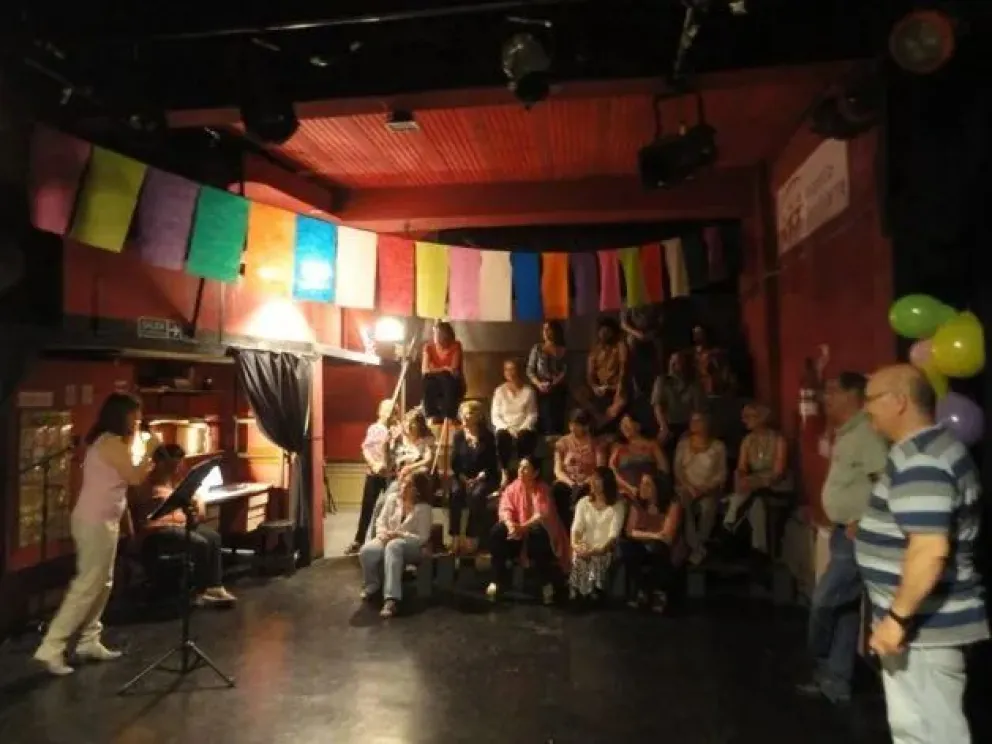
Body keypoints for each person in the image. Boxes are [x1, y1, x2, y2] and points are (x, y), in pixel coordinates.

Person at [857, 364, 987, 743]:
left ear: (899, 402)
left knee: (928, 732)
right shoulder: (932, 447)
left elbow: (929, 549)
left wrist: (897, 620)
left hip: (923, 630)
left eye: (871, 400)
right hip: (922, 627)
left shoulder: (922, 462)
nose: (867, 410)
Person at [34, 393, 157, 676]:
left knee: (104, 583)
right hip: (94, 522)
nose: (137, 420)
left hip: (105, 520)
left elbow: (124, 483)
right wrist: (151, 448)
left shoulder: (113, 443)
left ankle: (89, 640)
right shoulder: (110, 443)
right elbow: (136, 478)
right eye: (134, 415)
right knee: (88, 583)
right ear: (120, 415)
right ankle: (51, 647)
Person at [797, 372, 888, 705]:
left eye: (833, 390)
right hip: (841, 533)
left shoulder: (867, 434)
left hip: (857, 536)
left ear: (854, 394)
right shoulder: (848, 433)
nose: (827, 397)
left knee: (824, 600)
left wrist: (865, 519)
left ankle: (818, 658)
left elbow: (886, 480)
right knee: (846, 610)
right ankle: (836, 683)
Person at [129, 444, 237, 606]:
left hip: (180, 524)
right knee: (200, 544)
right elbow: (140, 510)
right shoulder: (144, 483)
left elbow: (196, 501)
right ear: (158, 463)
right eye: (171, 465)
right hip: (158, 529)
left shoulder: (177, 479)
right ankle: (199, 592)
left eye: (177, 465)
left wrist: (196, 503)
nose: (175, 469)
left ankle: (214, 586)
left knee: (213, 537)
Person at [486, 458, 569, 604]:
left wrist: (523, 527)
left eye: (525, 468)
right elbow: (505, 508)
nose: (520, 470)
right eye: (520, 467)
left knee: (538, 534)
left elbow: (542, 514)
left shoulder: (543, 489)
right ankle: (497, 580)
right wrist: (511, 524)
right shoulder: (512, 487)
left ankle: (545, 584)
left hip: (536, 535)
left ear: (535, 472)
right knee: (497, 531)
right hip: (517, 535)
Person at [359, 471, 434, 619]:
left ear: (416, 489)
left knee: (394, 546)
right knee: (367, 551)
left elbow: (422, 537)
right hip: (387, 538)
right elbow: (380, 521)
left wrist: (399, 535)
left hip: (412, 546)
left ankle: (391, 599)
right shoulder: (393, 499)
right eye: (403, 482)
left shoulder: (424, 508)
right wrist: (383, 534)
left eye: (408, 483)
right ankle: (372, 585)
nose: (402, 485)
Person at [723, 402, 791, 557]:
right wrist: (741, 478)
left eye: (748, 416)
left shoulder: (778, 440)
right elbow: (741, 467)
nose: (744, 420)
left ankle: (731, 517)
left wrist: (754, 482)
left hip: (776, 484)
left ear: (761, 418)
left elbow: (778, 472)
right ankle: (759, 548)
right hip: (754, 487)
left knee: (753, 492)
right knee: (756, 504)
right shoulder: (748, 440)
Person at [368, 409, 435, 541]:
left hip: (416, 480)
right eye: (407, 423)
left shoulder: (425, 441)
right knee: (380, 504)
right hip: (400, 479)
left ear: (420, 426)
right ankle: (374, 540)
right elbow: (388, 464)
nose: (409, 426)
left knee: (384, 501)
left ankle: (378, 540)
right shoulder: (399, 442)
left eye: (413, 423)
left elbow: (429, 460)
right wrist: (386, 445)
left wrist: (410, 467)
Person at [620, 471, 682, 613]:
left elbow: (667, 536)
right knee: (627, 547)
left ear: (658, 488)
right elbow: (630, 532)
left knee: (659, 548)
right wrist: (653, 535)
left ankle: (659, 593)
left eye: (647, 484)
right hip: (645, 543)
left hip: (668, 547)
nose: (642, 487)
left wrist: (649, 536)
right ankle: (642, 590)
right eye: (641, 483)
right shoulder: (637, 503)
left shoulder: (672, 504)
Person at [673, 410, 727, 566]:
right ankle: (696, 547)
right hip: (686, 488)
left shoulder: (718, 447)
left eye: (699, 421)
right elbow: (678, 469)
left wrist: (705, 488)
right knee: (684, 502)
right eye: (692, 421)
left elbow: (722, 474)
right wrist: (689, 487)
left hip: (708, 489)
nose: (694, 424)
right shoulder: (683, 444)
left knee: (708, 507)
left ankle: (699, 544)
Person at [346, 398, 397, 555]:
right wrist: (375, 464)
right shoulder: (374, 428)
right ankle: (359, 540)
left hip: (391, 474)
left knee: (391, 508)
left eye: (392, 410)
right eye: (386, 409)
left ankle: (387, 541)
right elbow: (366, 449)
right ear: (380, 411)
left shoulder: (398, 429)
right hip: (374, 474)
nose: (389, 413)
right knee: (368, 506)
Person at [448, 401, 499, 555]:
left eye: (469, 413)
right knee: (455, 492)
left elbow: (491, 464)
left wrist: (478, 478)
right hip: (462, 475)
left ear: (478, 416)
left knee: (477, 495)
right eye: (463, 413)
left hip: (483, 476)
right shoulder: (458, 436)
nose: (464, 416)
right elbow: (454, 462)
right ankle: (455, 536)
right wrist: (463, 478)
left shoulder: (488, 437)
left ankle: (472, 535)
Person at [568, 467, 625, 602]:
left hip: (604, 548)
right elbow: (576, 528)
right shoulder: (583, 503)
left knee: (597, 559)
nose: (593, 482)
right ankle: (578, 593)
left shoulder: (617, 506)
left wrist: (599, 549)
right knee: (580, 557)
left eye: (597, 480)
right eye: (592, 479)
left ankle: (593, 592)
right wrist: (576, 545)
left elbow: (614, 534)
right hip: (585, 545)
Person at [491, 358, 539, 486]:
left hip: (523, 427)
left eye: (513, 369)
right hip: (506, 427)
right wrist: (507, 428)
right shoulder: (499, 391)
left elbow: (532, 414)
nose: (511, 373)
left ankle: (523, 471)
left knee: (525, 437)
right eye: (507, 369)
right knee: (501, 436)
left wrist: (522, 428)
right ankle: (504, 472)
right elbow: (495, 415)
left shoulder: (529, 391)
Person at [652, 351, 705, 462]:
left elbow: (697, 410)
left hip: (687, 426)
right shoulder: (662, 381)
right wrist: (663, 427)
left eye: (678, 362)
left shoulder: (694, 384)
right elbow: (657, 406)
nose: (674, 366)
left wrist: (692, 430)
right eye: (672, 362)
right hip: (668, 425)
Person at [551, 409, 600, 527]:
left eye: (577, 425)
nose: (573, 428)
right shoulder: (562, 443)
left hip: (588, 481)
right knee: (558, 489)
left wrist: (585, 482)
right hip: (568, 481)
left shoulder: (596, 444)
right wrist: (572, 484)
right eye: (571, 424)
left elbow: (600, 469)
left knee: (587, 492)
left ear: (586, 426)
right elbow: (557, 470)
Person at [609, 414, 669, 500]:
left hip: (650, 490)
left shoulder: (652, 445)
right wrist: (629, 488)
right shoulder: (618, 448)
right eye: (622, 425)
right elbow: (612, 471)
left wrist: (654, 487)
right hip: (625, 492)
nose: (624, 427)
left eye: (627, 423)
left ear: (638, 426)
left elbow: (664, 470)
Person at [585, 316, 627, 433]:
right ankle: (601, 422)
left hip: (616, 387)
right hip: (600, 388)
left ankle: (601, 423)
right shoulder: (595, 350)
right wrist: (594, 387)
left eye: (607, 331)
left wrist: (619, 389)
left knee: (621, 401)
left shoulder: (619, 346)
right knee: (578, 392)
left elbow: (624, 370)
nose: (604, 334)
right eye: (602, 331)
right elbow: (590, 374)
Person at [526, 320, 569, 436]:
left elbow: (565, 370)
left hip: (558, 387)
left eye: (548, 329)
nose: (545, 332)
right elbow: (530, 370)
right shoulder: (537, 348)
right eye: (544, 329)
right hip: (540, 388)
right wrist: (539, 384)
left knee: (557, 414)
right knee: (545, 412)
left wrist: (554, 383)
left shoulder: (562, 350)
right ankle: (547, 436)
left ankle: (556, 437)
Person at [421, 321, 464, 424]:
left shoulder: (455, 346)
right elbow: (425, 370)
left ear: (446, 334)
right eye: (434, 333)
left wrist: (437, 370)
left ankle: (449, 416)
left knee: (446, 377)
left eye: (438, 333)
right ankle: (431, 415)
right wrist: (444, 368)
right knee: (427, 380)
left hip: (453, 381)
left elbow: (453, 369)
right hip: (435, 381)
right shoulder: (428, 347)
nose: (435, 336)